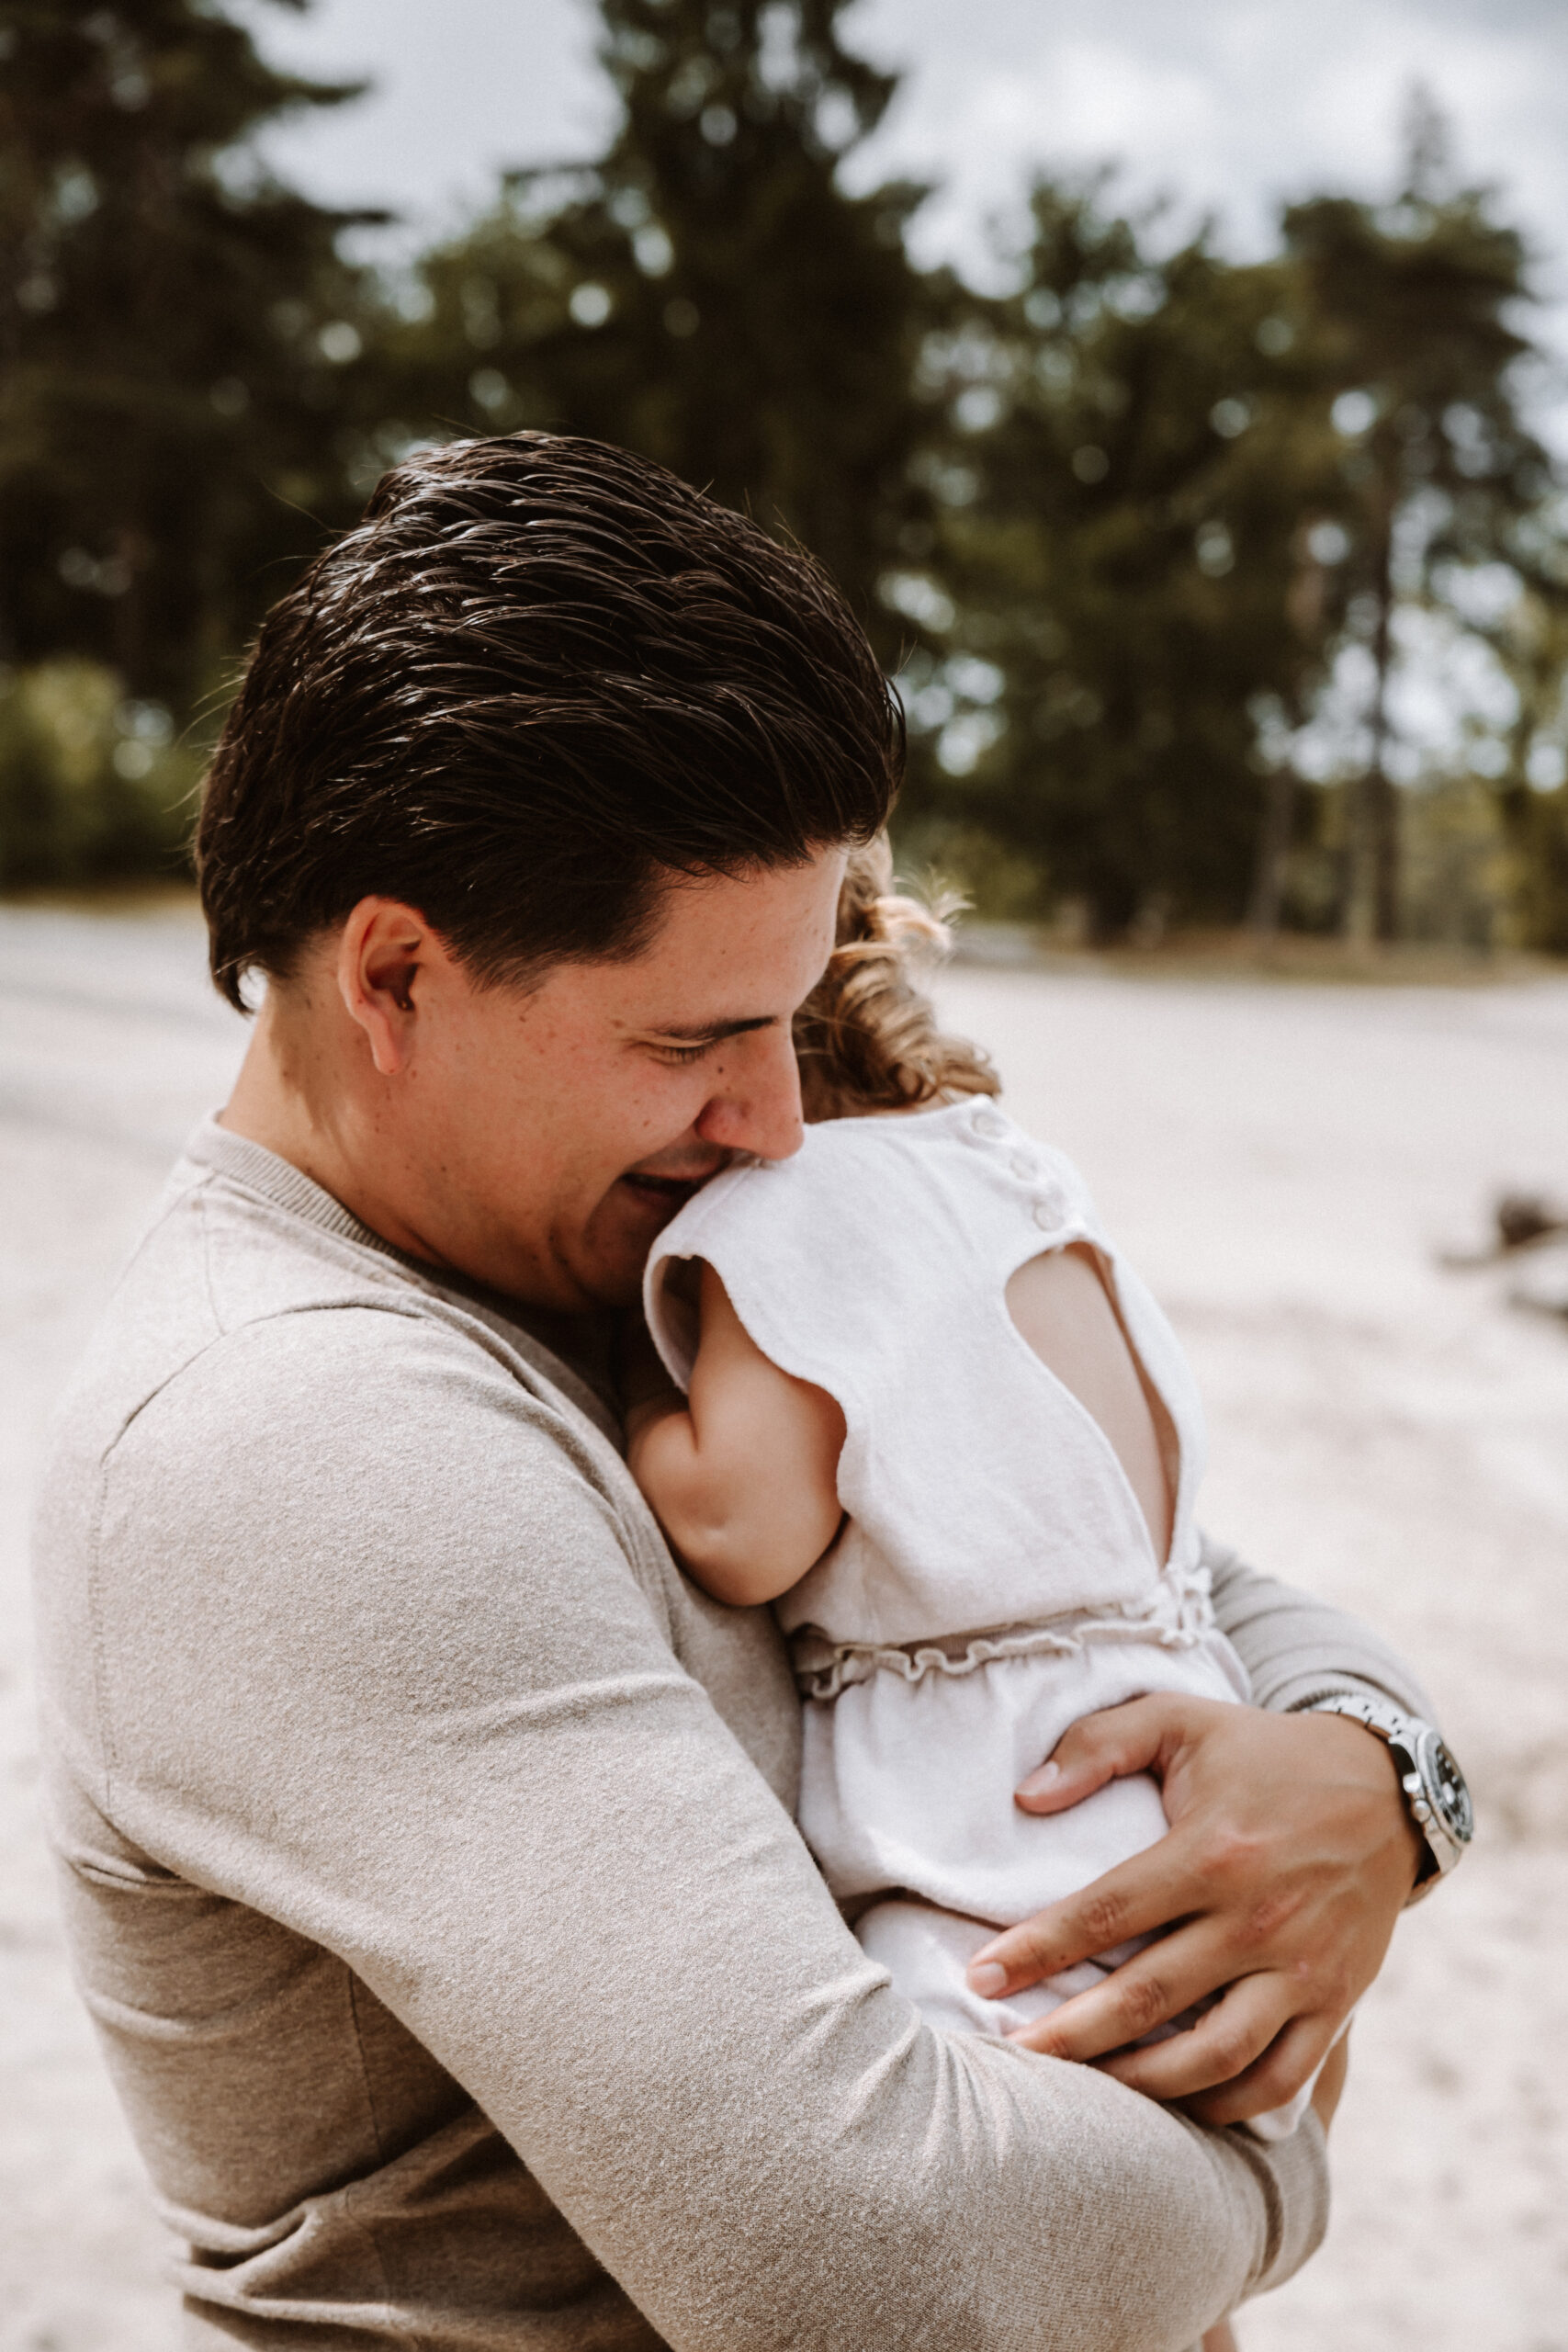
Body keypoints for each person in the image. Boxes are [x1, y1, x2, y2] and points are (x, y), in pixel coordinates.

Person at [33, 434, 1462, 2351]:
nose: (777, 1122)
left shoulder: (589, 1240)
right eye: (694, 1036)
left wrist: (1378, 1777)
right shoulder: (299, 1430)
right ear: (392, 974)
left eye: (791, 1022)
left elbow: (1120, 1550)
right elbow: (878, 2271)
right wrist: (1280, 2152)